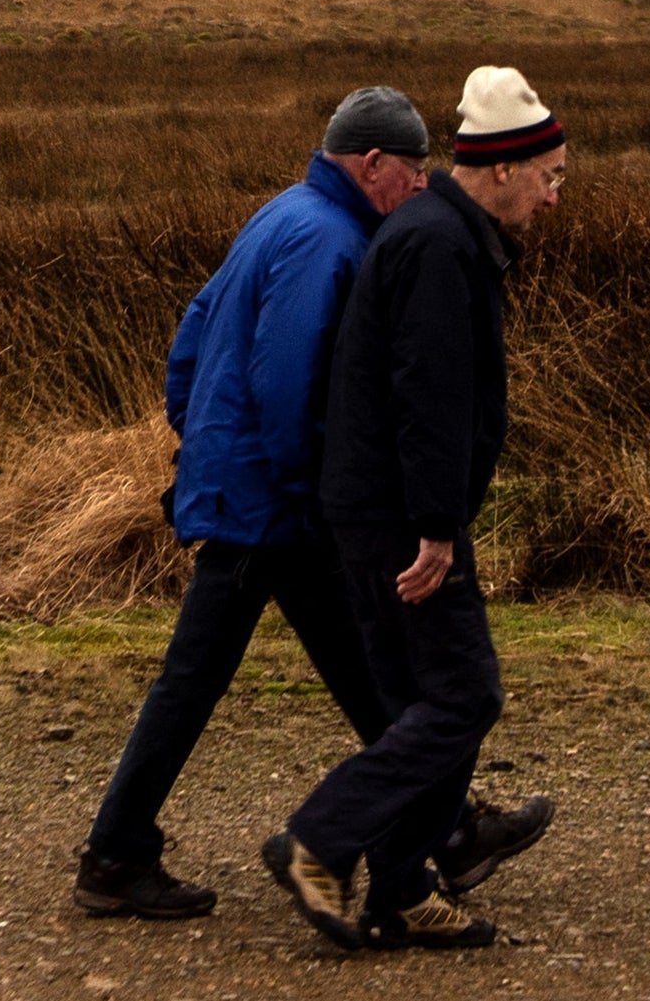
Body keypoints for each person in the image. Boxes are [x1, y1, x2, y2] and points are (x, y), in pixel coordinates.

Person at [72, 86, 550, 921]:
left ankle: (446, 830)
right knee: (205, 680)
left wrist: (200, 435)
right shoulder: (328, 239)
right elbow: (291, 384)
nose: (418, 185)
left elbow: (192, 331)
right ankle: (117, 852)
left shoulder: (280, 213)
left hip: (247, 485)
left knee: (360, 673)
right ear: (372, 163)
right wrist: (313, 493)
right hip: (275, 502)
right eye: (410, 171)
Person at [262, 65, 571, 953]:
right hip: (403, 518)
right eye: (549, 176)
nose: (553, 197)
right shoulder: (438, 245)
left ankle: (398, 890)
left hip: (375, 509)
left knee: (417, 704)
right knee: (463, 694)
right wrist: (438, 527)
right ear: (504, 168)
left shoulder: (435, 233)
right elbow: (427, 399)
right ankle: (319, 839)